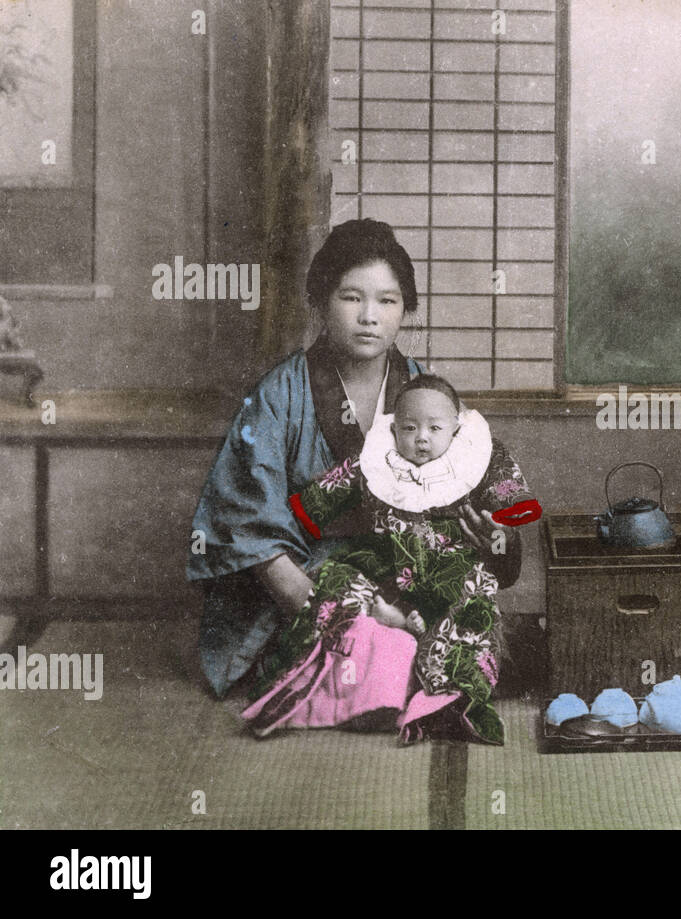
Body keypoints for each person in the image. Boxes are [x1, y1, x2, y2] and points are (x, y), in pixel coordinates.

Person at [187, 218, 525, 707]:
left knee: (460, 622)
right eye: (351, 297)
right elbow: (247, 526)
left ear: (405, 310)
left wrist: (492, 528)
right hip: (301, 583)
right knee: (368, 657)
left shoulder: (422, 391)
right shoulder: (279, 393)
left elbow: (470, 484)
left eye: (387, 301)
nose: (370, 316)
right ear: (321, 302)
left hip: (399, 571)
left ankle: (400, 660)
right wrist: (330, 613)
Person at [242, 374, 538, 744]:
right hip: (385, 566)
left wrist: (502, 527)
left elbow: (509, 497)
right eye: (409, 428)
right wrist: (303, 511)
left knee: (472, 600)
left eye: (434, 427)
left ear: (456, 429)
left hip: (449, 567)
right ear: (394, 428)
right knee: (338, 584)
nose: (422, 438)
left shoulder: (479, 455)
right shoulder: (377, 458)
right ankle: (343, 673)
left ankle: (443, 696)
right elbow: (325, 494)